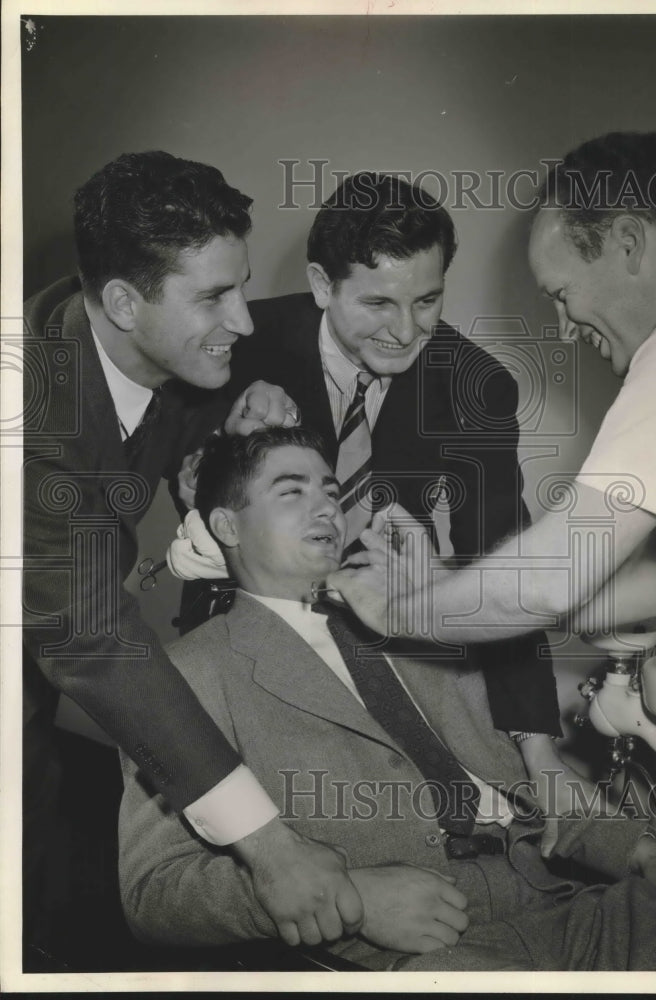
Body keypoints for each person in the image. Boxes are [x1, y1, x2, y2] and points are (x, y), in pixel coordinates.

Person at [118, 428, 656, 972]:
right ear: (227, 525)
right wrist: (349, 897)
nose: (326, 509)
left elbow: (531, 786)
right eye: (292, 491)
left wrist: (644, 852)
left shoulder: (424, 621)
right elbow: (153, 893)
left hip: (570, 908)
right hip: (413, 952)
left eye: (330, 490)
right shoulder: (187, 676)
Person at [23, 151, 362, 953]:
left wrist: (226, 427)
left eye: (240, 286)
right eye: (214, 297)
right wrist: (273, 850)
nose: (242, 321)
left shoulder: (131, 338)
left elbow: (165, 416)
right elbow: (94, 643)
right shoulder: (29, 416)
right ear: (122, 301)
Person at [178, 171, 571, 823]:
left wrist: (539, 749)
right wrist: (222, 442)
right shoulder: (242, 343)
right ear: (322, 285)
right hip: (240, 627)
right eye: (379, 304)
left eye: (426, 301)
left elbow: (502, 561)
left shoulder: (475, 386)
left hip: (384, 636)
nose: (406, 330)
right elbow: (184, 477)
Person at [330, 133, 656, 644]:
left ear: (628, 243)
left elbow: (550, 582)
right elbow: (652, 585)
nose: (565, 329)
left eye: (562, 294)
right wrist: (441, 589)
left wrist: (392, 613)